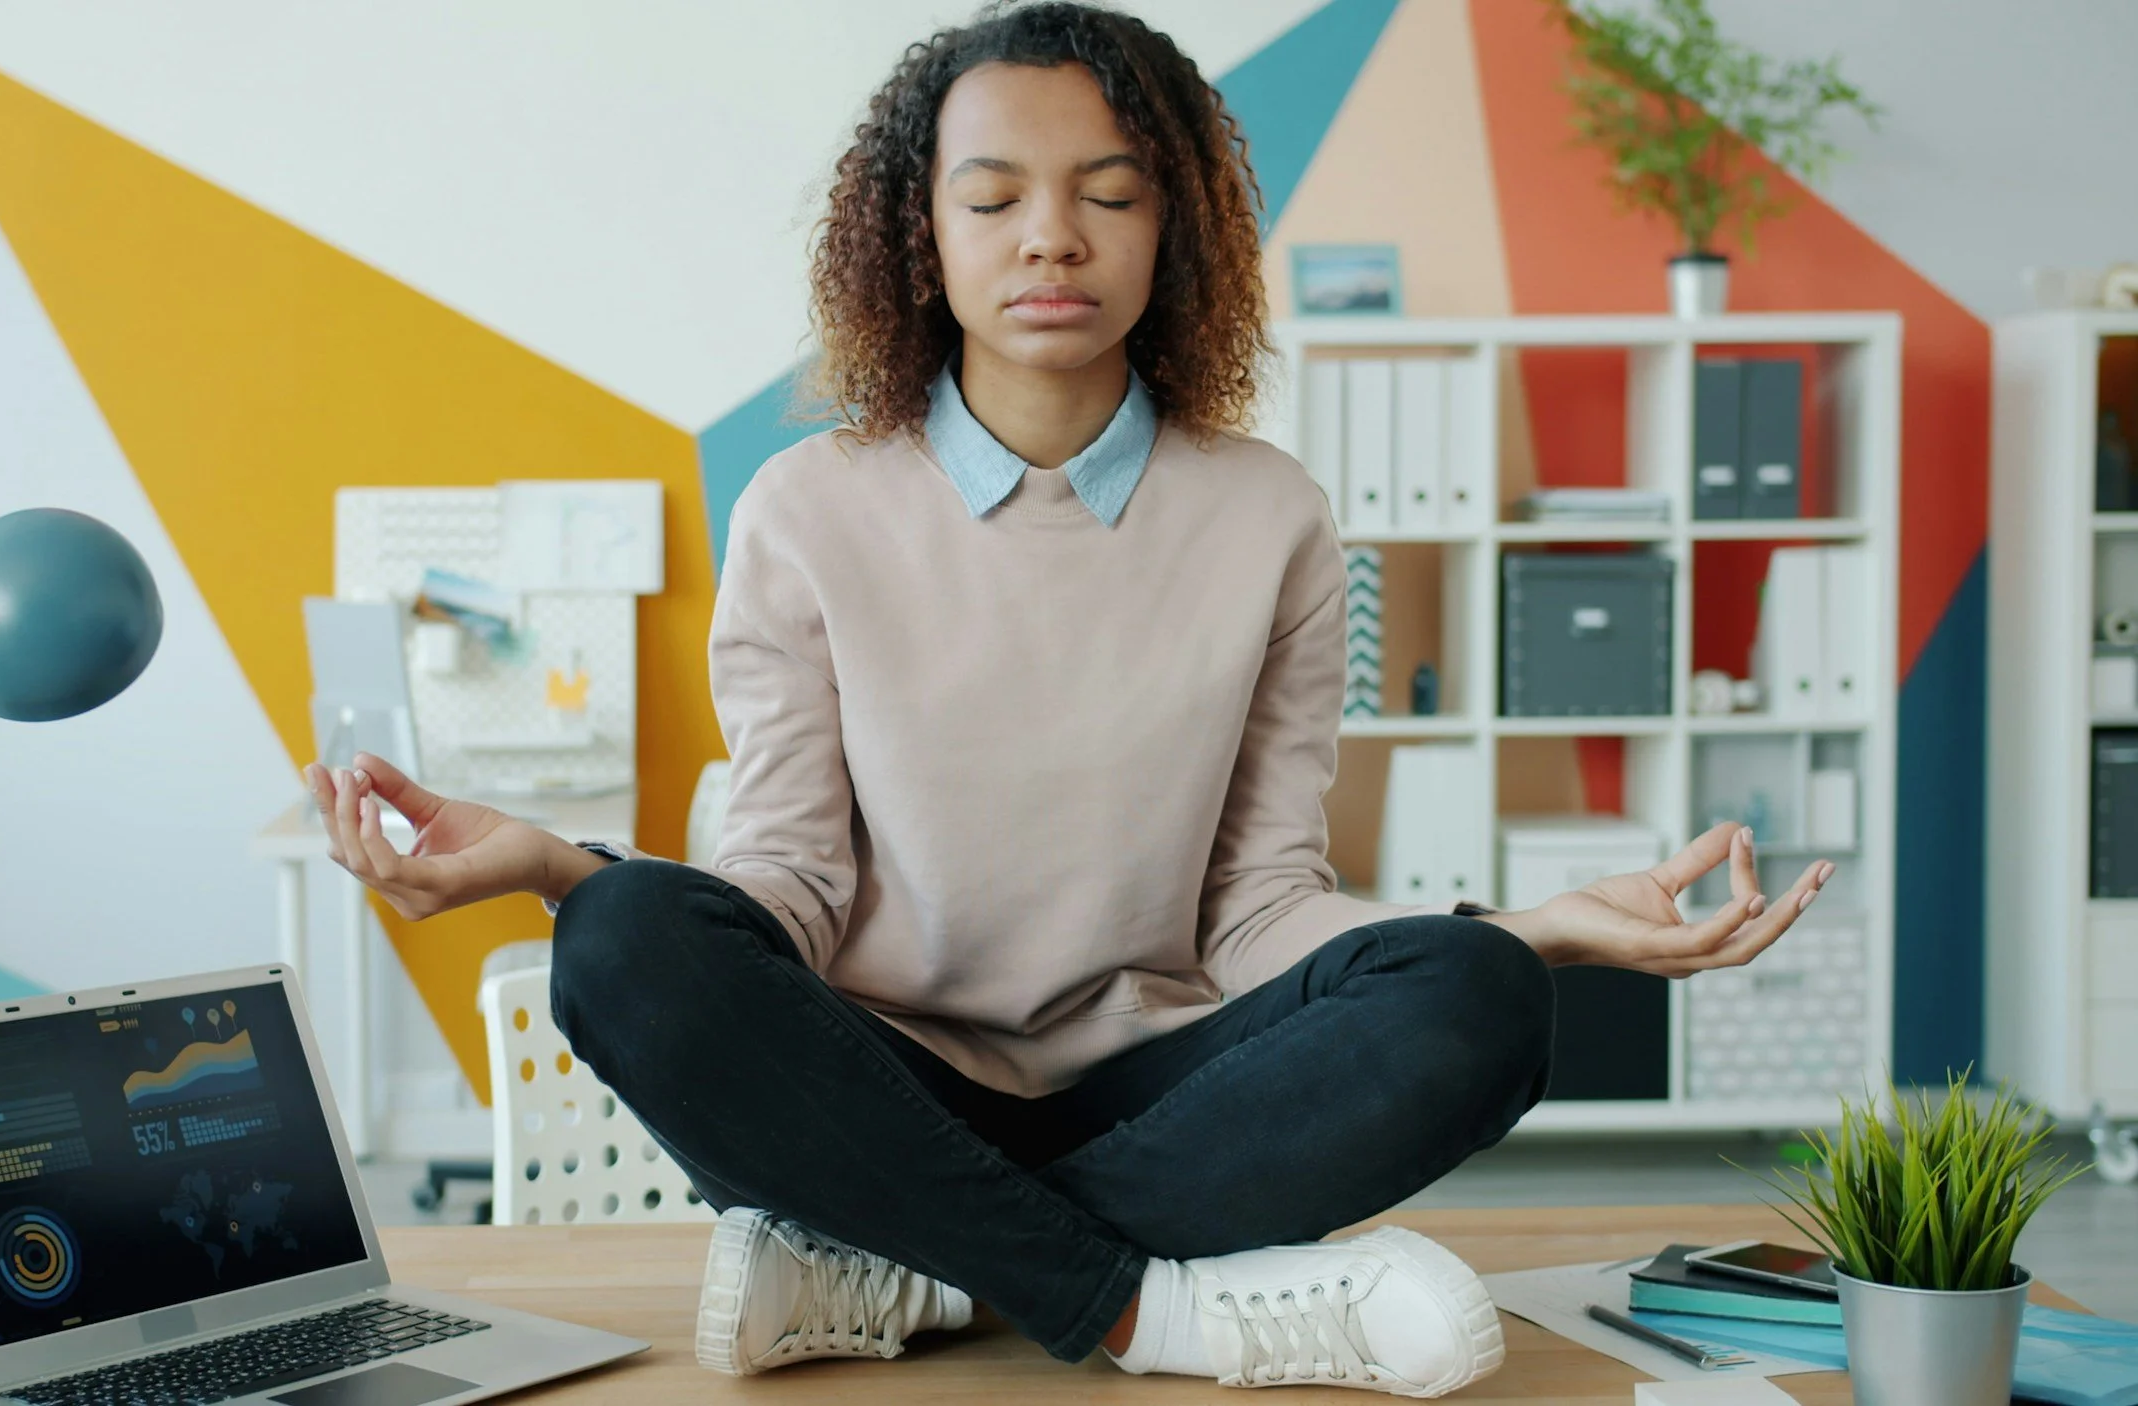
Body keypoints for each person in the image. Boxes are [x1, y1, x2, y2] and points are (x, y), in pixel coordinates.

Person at [303, 2, 1833, 1393]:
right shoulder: (804, 509)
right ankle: (1149, 1310)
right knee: (626, 933)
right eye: (995, 199)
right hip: (878, 1081)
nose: (1053, 238)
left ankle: (920, 1271)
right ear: (924, 232)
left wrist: (1532, 928)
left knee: (1486, 1001)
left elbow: (1263, 907)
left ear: (1175, 229)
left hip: (1162, 1095)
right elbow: (790, 881)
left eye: (1109, 195)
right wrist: (559, 868)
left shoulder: (1272, 518)